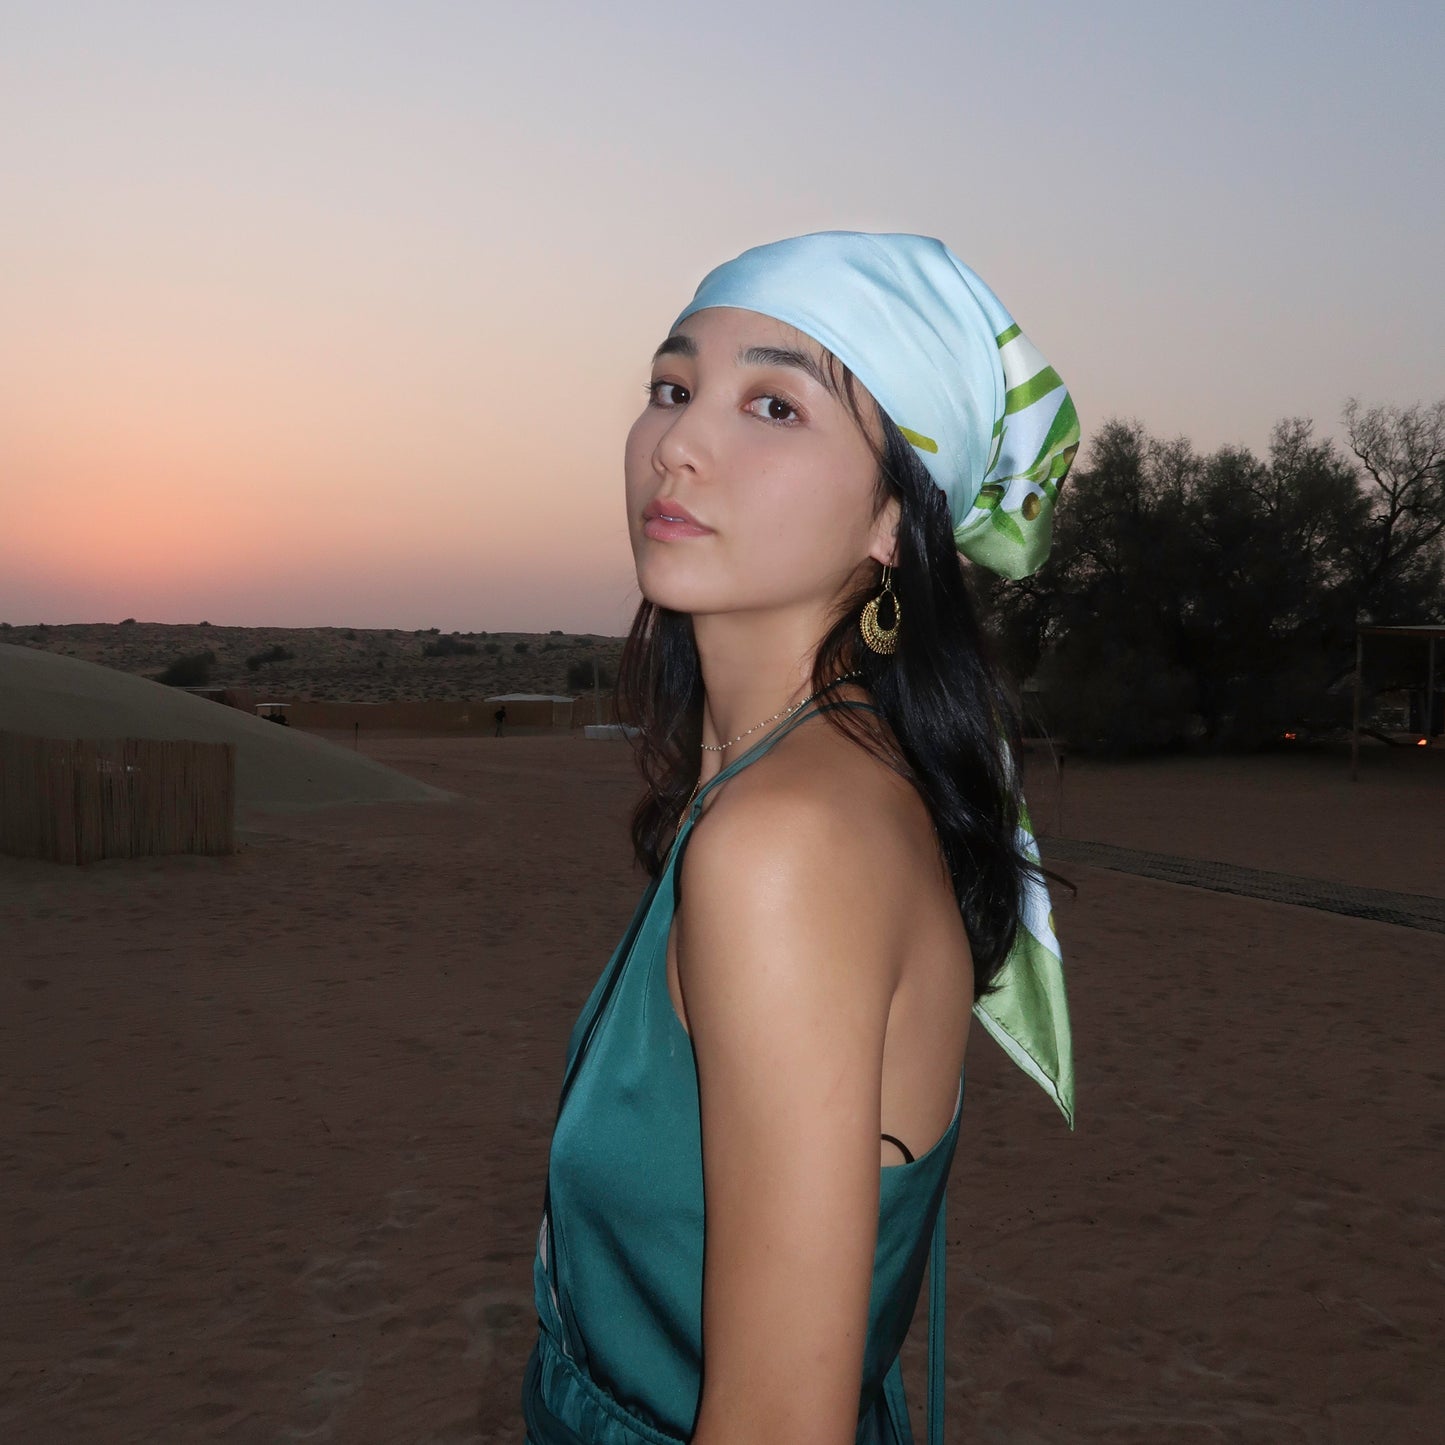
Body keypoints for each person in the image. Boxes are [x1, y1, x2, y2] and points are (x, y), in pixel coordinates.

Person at [522, 231, 1078, 1445]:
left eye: (772, 403)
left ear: (892, 517)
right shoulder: (803, 786)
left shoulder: (786, 842)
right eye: (673, 387)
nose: (678, 439)